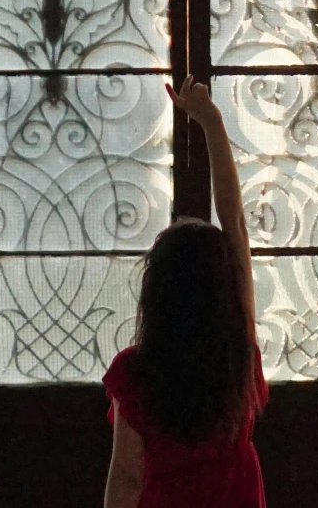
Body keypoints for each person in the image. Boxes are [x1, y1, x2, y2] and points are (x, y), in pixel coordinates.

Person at [102, 77, 267, 508]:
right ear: (222, 289)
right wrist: (210, 120)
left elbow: (125, 476)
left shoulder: (135, 374)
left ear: (157, 293)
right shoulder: (238, 356)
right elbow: (235, 221)